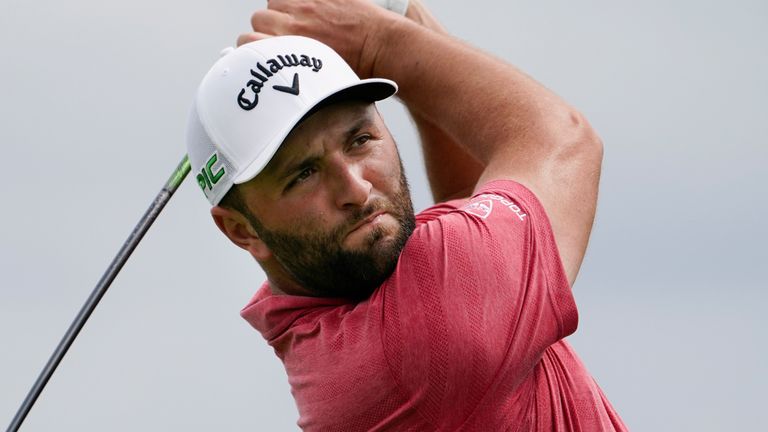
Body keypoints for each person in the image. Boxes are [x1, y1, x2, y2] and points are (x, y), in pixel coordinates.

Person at [186, 0, 628, 430]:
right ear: (240, 229)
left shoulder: (338, 327)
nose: (356, 189)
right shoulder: (417, 347)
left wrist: (398, 12)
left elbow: (465, 202)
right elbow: (564, 142)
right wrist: (379, 39)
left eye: (360, 140)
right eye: (303, 174)